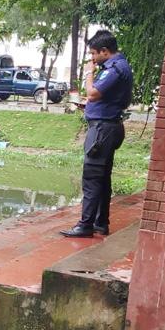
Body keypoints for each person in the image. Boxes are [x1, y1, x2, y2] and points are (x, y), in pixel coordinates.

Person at [59, 30, 133, 238]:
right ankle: (100, 222)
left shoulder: (115, 68)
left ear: (104, 51)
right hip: (107, 126)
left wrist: (89, 73)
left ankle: (85, 225)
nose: (92, 59)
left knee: (92, 177)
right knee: (102, 178)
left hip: (103, 130)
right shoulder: (117, 67)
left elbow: (93, 93)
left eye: (93, 54)